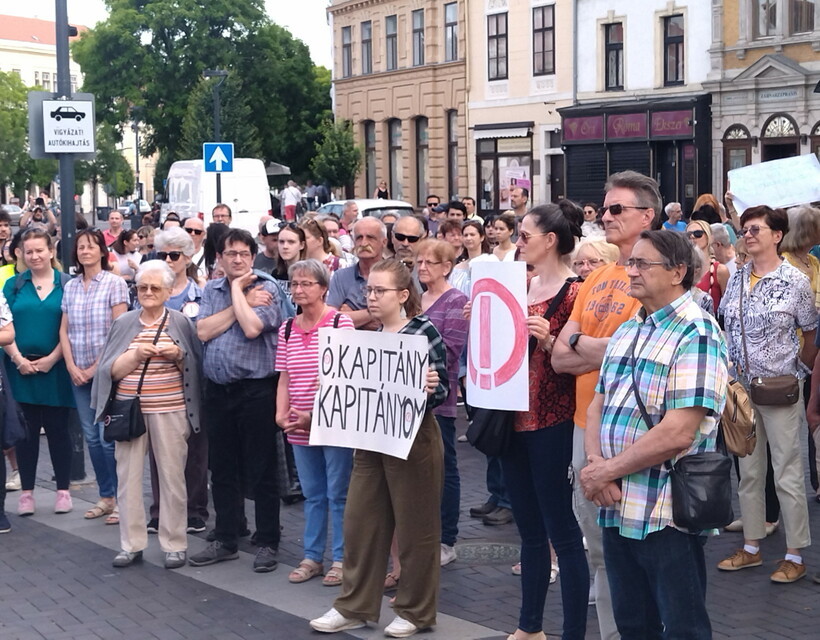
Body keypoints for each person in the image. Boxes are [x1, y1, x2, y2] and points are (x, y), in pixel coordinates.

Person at [581, 229, 728, 638]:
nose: (631, 271)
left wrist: (606, 471)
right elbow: (598, 403)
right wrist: (597, 466)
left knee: (683, 628)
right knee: (633, 624)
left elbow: (680, 431)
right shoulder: (629, 329)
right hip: (615, 503)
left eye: (643, 264)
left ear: (678, 271)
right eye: (632, 262)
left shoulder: (697, 333)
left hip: (665, 510)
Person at [310, 259, 448, 638]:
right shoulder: (363, 335)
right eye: (369, 290)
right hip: (370, 439)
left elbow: (446, 390)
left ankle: (416, 610)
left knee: (416, 527)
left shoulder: (423, 332)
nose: (370, 297)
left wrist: (430, 387)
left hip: (413, 438)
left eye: (379, 291)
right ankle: (354, 605)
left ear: (403, 295)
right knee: (360, 523)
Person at [552, 170, 661, 640]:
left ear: (647, 216)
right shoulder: (596, 275)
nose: (605, 215)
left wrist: (588, 346)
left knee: (644, 546)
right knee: (597, 543)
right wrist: (599, 346)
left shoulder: (661, 275)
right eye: (604, 207)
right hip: (585, 424)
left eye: (617, 209)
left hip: (637, 428)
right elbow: (559, 355)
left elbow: (643, 352)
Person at [500, 204, 589, 640]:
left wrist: (551, 339)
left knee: (562, 530)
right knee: (530, 532)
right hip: (513, 419)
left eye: (525, 236)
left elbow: (579, 360)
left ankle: (573, 631)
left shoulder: (576, 291)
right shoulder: (519, 285)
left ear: (550, 239)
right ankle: (529, 627)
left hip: (553, 419)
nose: (519, 243)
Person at [717, 205, 817, 584]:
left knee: (788, 472)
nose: (748, 234)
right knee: (748, 470)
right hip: (741, 390)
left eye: (756, 229)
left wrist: (797, 373)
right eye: (744, 229)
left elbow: (809, 334)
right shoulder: (739, 276)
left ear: (777, 235)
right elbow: (726, 324)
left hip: (780, 389)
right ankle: (752, 546)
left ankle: (795, 553)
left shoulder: (794, 280)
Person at [91, 260, 201, 568]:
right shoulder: (124, 323)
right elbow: (107, 371)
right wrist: (136, 355)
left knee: (172, 479)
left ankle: (175, 543)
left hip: (171, 409)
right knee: (128, 479)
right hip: (129, 412)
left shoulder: (180, 322)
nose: (148, 293)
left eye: (155, 288)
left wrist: (178, 355)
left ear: (168, 291)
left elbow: (195, 369)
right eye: (142, 287)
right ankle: (131, 544)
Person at [190, 228, 284, 573]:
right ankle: (227, 537)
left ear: (253, 256)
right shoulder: (213, 289)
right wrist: (235, 295)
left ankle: (268, 539)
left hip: (255, 390)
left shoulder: (267, 287)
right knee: (223, 467)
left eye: (245, 254)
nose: (239, 260)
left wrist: (236, 305)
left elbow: (251, 328)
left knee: (262, 469)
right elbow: (202, 331)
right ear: (220, 256)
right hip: (218, 391)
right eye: (232, 254)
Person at [275, 259, 355, 585]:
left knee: (339, 493)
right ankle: (312, 557)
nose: (299, 289)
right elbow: (284, 376)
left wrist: (315, 415)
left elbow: (347, 378)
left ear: (323, 288)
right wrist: (281, 413)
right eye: (294, 284)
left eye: (307, 283)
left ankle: (341, 558)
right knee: (313, 494)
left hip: (332, 421)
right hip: (298, 423)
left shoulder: (340, 324)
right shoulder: (288, 328)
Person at [4, 230, 76, 516]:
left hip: (56, 369)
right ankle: (27, 493)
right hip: (20, 368)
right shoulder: (14, 285)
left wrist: (53, 358)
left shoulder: (67, 284)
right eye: (29, 251)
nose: (34, 256)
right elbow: (3, 323)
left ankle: (63, 491)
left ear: (51, 251)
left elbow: (72, 327)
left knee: (59, 431)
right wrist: (19, 359)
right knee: (25, 433)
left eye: (39, 250)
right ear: (21, 253)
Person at [60, 229, 129, 526]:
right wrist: (72, 365)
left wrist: (95, 368)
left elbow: (120, 331)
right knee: (91, 437)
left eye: (90, 246)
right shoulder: (71, 286)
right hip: (78, 373)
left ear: (102, 250)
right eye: (80, 247)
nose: (85, 251)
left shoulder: (114, 284)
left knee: (107, 439)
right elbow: (64, 330)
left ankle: (122, 499)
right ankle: (106, 496)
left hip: (107, 373)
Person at [142, 228, 207, 535]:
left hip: (192, 377)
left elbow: (202, 336)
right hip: (158, 381)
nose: (167, 260)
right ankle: (160, 509)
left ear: (188, 257)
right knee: (158, 448)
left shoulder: (201, 293)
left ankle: (194, 509)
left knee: (194, 445)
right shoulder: (149, 289)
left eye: (174, 255)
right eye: (162, 255)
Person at [416, 240, 468, 566]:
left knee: (445, 469)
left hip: (440, 400)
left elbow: (449, 352)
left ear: (446, 267)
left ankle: (446, 539)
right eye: (419, 262)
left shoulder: (456, 301)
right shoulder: (413, 296)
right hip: (408, 396)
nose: (422, 268)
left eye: (430, 263)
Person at [327, 217, 387, 330]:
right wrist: (373, 314)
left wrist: (349, 315)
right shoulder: (341, 277)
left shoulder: (396, 275)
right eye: (359, 238)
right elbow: (331, 321)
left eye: (371, 238)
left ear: (384, 242)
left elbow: (401, 319)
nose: (364, 243)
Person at [686, 220, 729, 313]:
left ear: (709, 237)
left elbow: (727, 306)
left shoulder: (720, 270)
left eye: (698, 233)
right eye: (688, 235)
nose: (692, 236)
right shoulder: (682, 269)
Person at [272, 223, 307, 303]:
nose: (285, 246)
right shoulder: (276, 274)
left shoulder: (311, 274)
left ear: (302, 245)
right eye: (281, 242)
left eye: (291, 242)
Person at [183, 217, 208, 282]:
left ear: (204, 235)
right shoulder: (173, 255)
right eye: (189, 230)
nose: (192, 234)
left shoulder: (209, 257)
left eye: (197, 232)